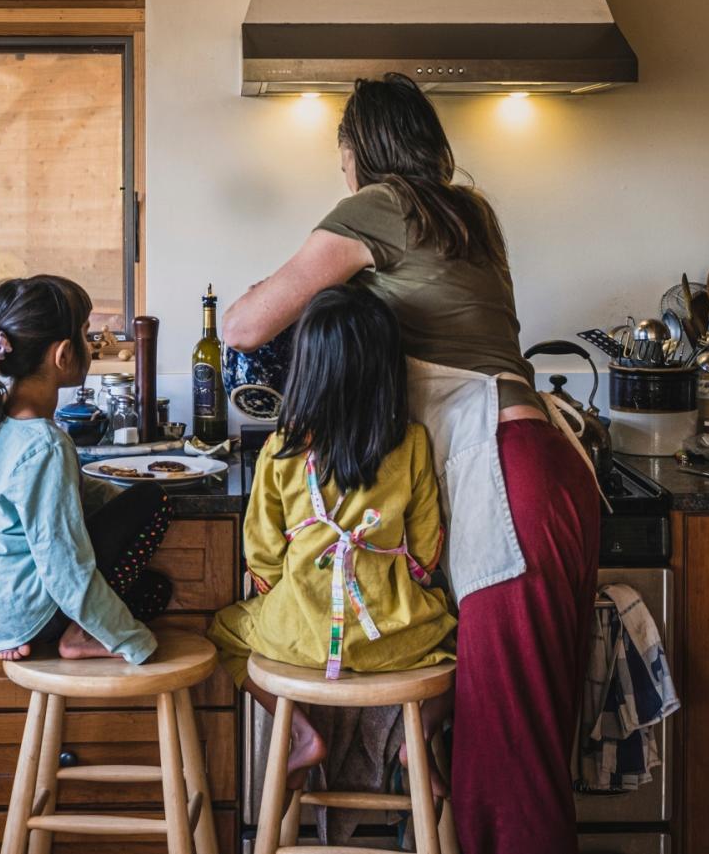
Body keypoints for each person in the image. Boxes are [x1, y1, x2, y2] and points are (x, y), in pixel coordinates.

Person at [223, 74, 601, 854]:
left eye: (342, 160)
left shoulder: (381, 204)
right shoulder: (471, 213)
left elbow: (244, 325)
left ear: (359, 152)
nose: (343, 175)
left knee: (508, 749)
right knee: (525, 734)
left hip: (504, 475)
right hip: (548, 466)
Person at [209, 284, 455, 781]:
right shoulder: (411, 443)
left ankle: (303, 732)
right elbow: (426, 548)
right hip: (394, 638)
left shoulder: (280, 448)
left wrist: (286, 593)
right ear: (389, 370)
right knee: (473, 649)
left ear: (306, 369)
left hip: (298, 636)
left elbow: (261, 551)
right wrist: (408, 578)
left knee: (222, 632)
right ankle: (420, 736)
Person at [0, 274, 174, 663]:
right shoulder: (45, 445)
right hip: (39, 616)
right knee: (152, 500)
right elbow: (65, 567)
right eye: (87, 335)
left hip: (7, 615)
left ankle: (75, 629)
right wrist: (133, 643)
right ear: (64, 355)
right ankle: (79, 635)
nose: (91, 346)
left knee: (154, 590)